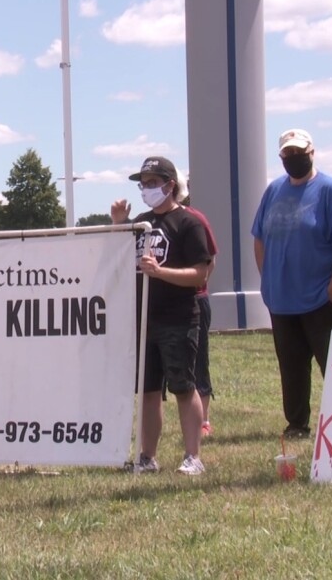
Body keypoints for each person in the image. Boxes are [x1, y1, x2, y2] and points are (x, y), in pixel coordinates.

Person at [111, 156, 212, 475]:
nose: (146, 189)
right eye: (143, 183)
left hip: (178, 318)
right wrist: (118, 225)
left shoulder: (189, 223)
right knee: (149, 391)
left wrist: (161, 272)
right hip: (144, 322)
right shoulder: (140, 222)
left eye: (153, 183)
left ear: (170, 185)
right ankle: (147, 457)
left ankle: (193, 456)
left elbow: (200, 274)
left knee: (184, 386)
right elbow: (116, 261)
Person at [252, 128, 332, 439]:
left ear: (312, 152)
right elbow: (259, 237)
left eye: (299, 153)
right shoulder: (274, 190)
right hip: (281, 299)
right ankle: (297, 424)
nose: (293, 159)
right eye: (287, 154)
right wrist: (267, 280)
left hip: (321, 298)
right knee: (291, 369)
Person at [178, 178, 219, 437]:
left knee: (198, 360)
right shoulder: (152, 222)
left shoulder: (195, 220)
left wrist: (197, 287)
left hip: (195, 299)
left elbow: (210, 260)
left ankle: (203, 420)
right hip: (166, 305)